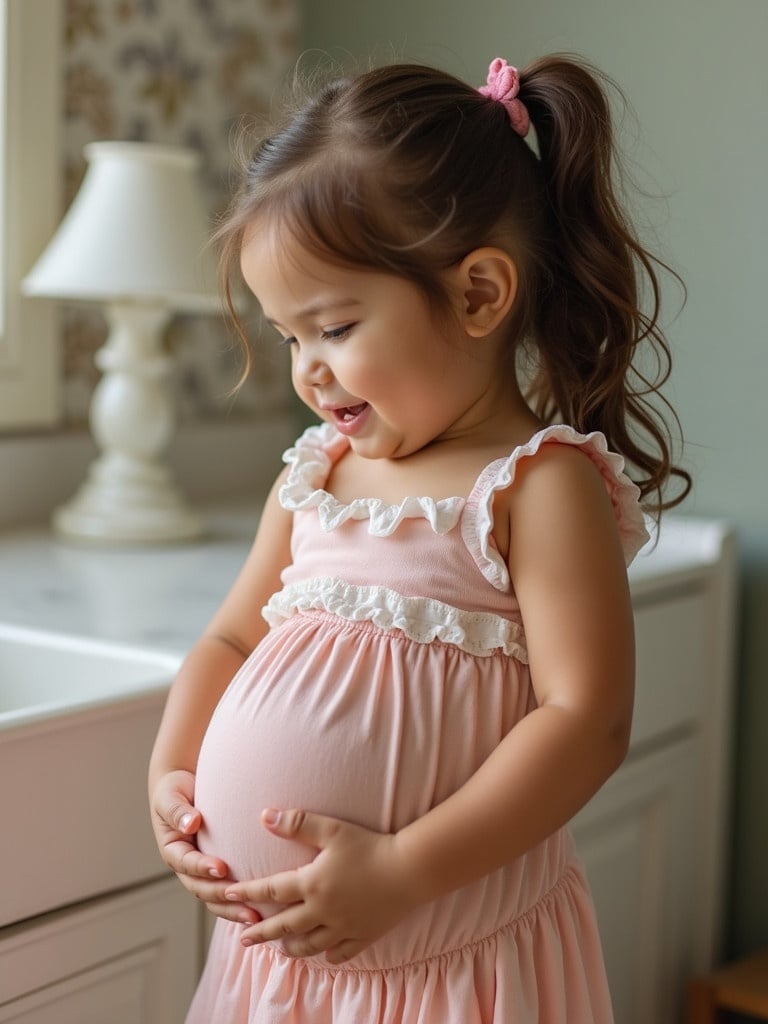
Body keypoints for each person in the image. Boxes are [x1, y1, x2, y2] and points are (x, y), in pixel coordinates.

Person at [149, 54, 690, 1023]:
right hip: (277, 971)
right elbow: (229, 640)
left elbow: (587, 721)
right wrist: (173, 767)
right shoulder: (315, 474)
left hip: (447, 974)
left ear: (481, 295)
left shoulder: (537, 485)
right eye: (288, 338)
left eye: (335, 326)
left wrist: (402, 869)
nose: (310, 372)